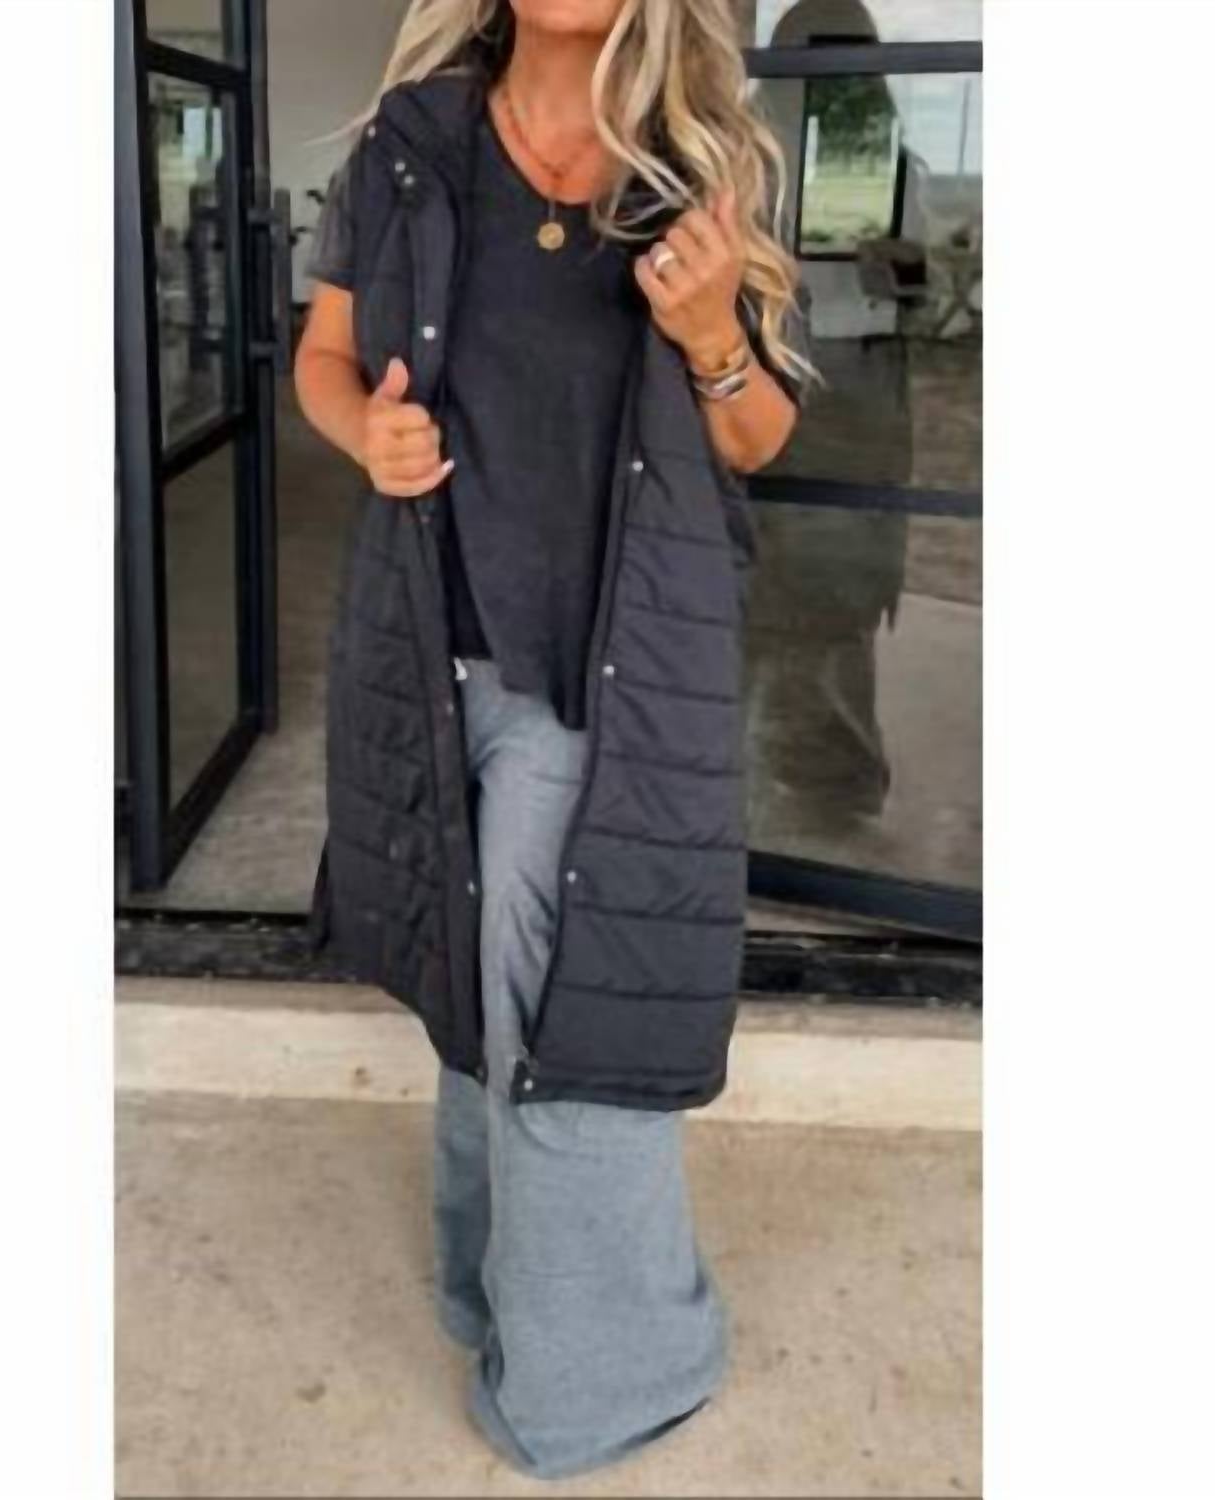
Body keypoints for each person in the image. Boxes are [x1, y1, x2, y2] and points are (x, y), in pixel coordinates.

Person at [295, 0, 812, 1479]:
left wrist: (711, 338)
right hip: (427, 641)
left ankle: (606, 1372)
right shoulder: (411, 148)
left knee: (563, 1006)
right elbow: (323, 357)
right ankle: (488, 1289)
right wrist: (364, 432)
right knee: (475, 980)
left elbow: (758, 437)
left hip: (598, 672)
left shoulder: (699, 164)